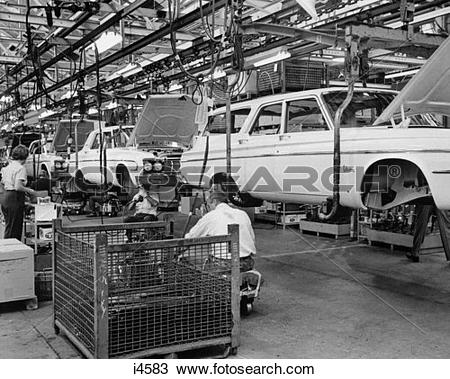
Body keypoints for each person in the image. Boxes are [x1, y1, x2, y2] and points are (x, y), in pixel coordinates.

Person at [185, 183, 256, 272]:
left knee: (201, 269)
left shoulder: (211, 216)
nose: (208, 208)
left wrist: (179, 249)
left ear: (214, 202)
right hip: (247, 262)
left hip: (224, 264)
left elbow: (192, 237)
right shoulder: (242, 214)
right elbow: (252, 238)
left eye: (208, 205)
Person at [0, 145, 37, 240]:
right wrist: (30, 191)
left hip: (5, 197)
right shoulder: (20, 168)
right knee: (15, 228)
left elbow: (2, 183)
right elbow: (18, 186)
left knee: (9, 225)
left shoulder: (7, 168)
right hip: (14, 198)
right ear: (24, 157)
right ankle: (12, 249)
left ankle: (8, 248)